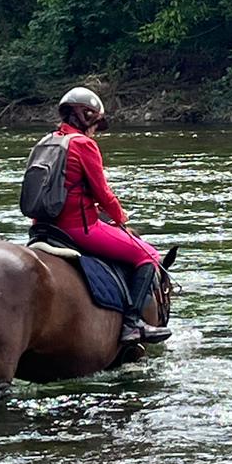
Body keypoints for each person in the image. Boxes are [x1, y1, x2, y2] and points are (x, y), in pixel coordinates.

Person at [45, 86, 170, 344]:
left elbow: (66, 188)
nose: (95, 132)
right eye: (95, 125)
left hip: (45, 226)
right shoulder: (83, 144)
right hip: (78, 227)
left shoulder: (50, 141)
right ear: (87, 117)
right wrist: (120, 216)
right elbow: (102, 192)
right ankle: (131, 324)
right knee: (148, 255)